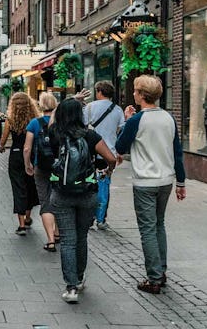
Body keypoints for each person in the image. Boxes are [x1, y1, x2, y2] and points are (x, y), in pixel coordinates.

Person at [115, 75, 187, 295]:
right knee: (159, 225)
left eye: (136, 91)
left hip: (145, 182)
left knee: (147, 229)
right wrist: (181, 182)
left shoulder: (137, 120)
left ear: (142, 95)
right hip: (166, 181)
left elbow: (120, 146)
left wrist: (127, 121)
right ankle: (161, 271)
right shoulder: (168, 118)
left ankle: (154, 278)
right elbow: (177, 153)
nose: (134, 94)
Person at [49, 98, 117, 303]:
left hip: (61, 194)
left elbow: (52, 121)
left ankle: (70, 288)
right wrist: (107, 170)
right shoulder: (90, 135)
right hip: (87, 194)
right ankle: (78, 278)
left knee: (68, 240)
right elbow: (111, 158)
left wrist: (59, 109)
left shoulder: (55, 134)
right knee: (81, 237)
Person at [82, 81, 125, 231]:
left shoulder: (90, 107)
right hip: (108, 153)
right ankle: (101, 218)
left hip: (91, 152)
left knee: (88, 185)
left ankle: (88, 216)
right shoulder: (118, 110)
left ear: (99, 91)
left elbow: (83, 126)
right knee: (104, 185)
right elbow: (120, 129)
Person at [0, 92, 39, 235]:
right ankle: (28, 217)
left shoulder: (10, 119)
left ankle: (21, 225)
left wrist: (1, 146)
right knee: (30, 186)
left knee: (18, 188)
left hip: (16, 156)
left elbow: (4, 137)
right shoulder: (35, 119)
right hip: (31, 155)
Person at [24, 92, 59, 252]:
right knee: (59, 198)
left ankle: (51, 240)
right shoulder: (60, 122)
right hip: (59, 167)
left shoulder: (34, 123)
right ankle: (58, 233)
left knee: (45, 201)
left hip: (41, 167)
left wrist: (28, 164)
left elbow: (27, 148)